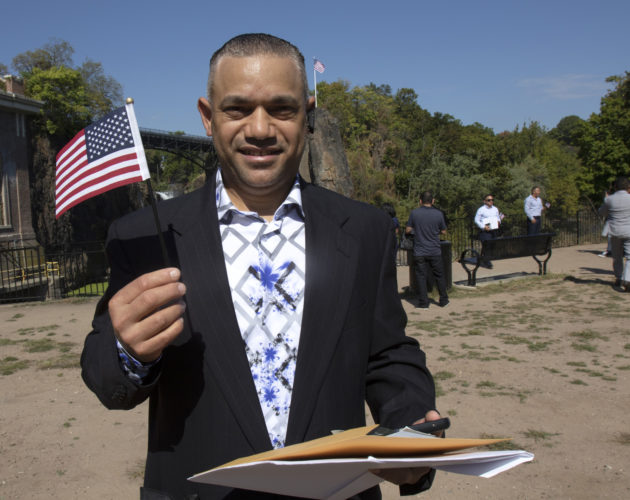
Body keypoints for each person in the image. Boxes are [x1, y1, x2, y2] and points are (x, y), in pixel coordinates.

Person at [81, 33, 442, 500]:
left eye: (281, 109)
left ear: (307, 115)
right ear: (208, 118)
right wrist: (129, 351)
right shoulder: (145, 235)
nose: (259, 129)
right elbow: (107, 380)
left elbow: (387, 352)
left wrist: (409, 420)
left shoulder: (365, 230)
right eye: (237, 109)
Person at [406, 191, 449, 308]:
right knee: (439, 275)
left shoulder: (414, 213)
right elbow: (444, 231)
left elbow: (408, 230)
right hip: (434, 249)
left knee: (421, 276)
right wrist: (435, 231)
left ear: (420, 201)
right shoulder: (438, 214)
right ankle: (443, 299)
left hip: (420, 250)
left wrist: (416, 231)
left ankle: (423, 302)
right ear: (433, 201)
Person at [598, 176, 630, 292]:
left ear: (616, 186)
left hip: (615, 231)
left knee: (617, 256)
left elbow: (601, 212)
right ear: (628, 187)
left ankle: (619, 277)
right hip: (629, 230)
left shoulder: (609, 199)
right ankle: (627, 279)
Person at [473, 194, 504, 268]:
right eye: (489, 200)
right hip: (485, 231)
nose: (491, 201)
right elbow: (476, 220)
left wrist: (499, 221)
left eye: (492, 200)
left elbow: (498, 217)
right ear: (484, 201)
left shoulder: (495, 209)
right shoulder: (481, 209)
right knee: (486, 246)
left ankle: (482, 258)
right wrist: (483, 227)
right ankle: (487, 262)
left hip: (494, 230)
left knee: (491, 246)